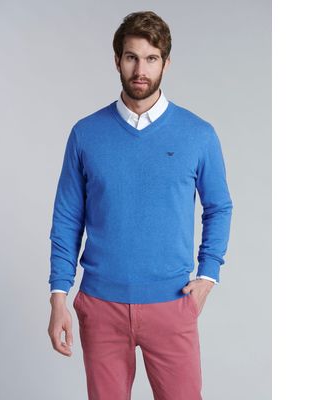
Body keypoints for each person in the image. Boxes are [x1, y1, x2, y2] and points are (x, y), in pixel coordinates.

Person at [47, 10, 233, 400]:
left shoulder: (198, 135)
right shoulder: (86, 134)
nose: (140, 69)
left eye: (151, 58)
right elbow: (67, 217)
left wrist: (208, 276)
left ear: (166, 63)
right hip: (101, 306)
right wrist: (59, 296)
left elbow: (219, 206)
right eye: (132, 57)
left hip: (172, 303)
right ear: (117, 60)